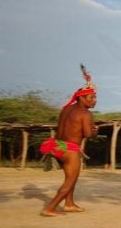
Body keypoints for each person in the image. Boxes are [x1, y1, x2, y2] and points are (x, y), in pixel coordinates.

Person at [39, 65, 98, 217]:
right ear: (81, 97)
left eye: (95, 97)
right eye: (91, 97)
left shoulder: (65, 109)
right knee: (71, 180)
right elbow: (87, 134)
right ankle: (50, 208)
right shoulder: (85, 114)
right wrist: (95, 131)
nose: (94, 100)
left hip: (57, 146)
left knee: (69, 177)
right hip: (70, 150)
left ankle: (69, 204)